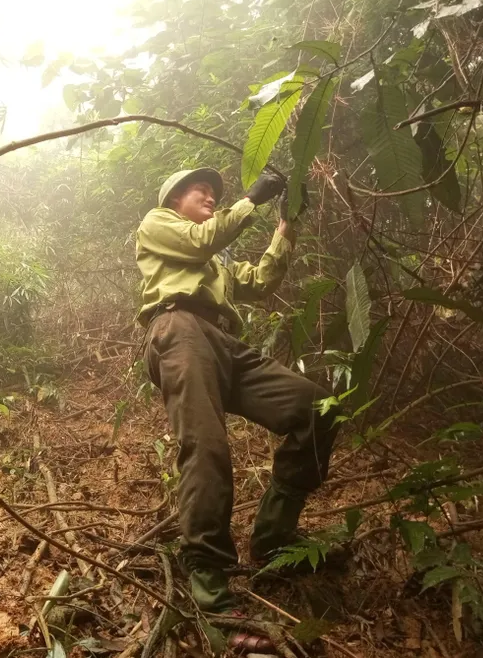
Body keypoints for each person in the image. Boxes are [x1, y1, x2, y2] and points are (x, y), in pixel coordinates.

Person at [135, 165, 336, 621]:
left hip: (223, 341)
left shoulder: (215, 266)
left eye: (212, 193)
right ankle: (207, 569)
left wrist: (286, 226)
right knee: (206, 443)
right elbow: (202, 239)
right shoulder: (157, 224)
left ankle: (274, 534)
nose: (209, 197)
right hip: (177, 327)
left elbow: (262, 282)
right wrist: (252, 199)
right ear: (174, 202)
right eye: (199, 192)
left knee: (316, 408)